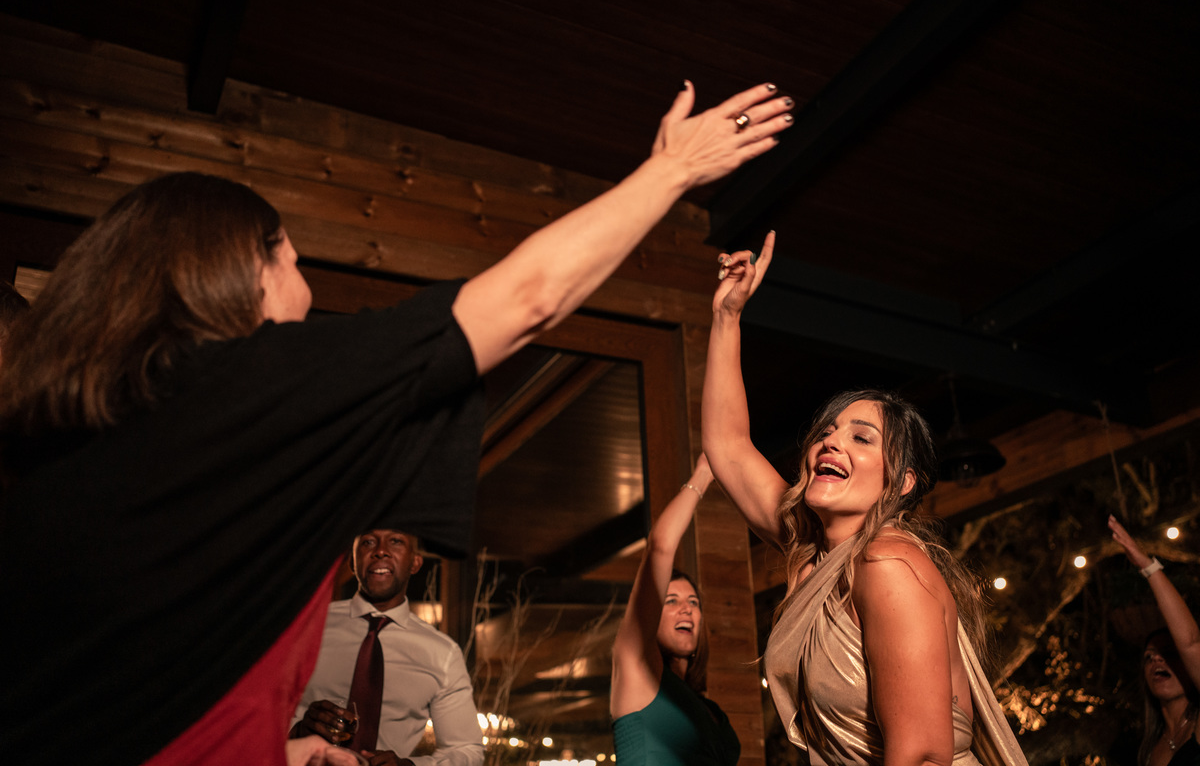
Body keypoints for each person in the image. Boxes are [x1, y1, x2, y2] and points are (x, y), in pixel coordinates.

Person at [0, 81, 794, 766]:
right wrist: (672, 170)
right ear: (241, 274)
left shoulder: (103, 444)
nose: (305, 284)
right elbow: (527, 298)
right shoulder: (249, 387)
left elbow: (133, 683)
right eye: (293, 258)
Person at [700, 231, 1026, 766]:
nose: (832, 441)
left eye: (862, 437)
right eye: (827, 431)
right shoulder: (816, 554)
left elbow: (921, 756)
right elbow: (727, 446)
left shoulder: (887, 564)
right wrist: (727, 317)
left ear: (902, 483)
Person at [291, 529, 484, 766]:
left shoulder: (443, 654)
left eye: (395, 541)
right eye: (368, 542)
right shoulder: (307, 628)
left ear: (415, 563)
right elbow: (257, 708)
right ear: (352, 562)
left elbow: (466, 749)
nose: (380, 551)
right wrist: (296, 731)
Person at [611, 454, 740, 766]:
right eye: (671, 601)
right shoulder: (635, 669)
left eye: (693, 602)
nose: (686, 609)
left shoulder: (707, 707)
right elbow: (660, 547)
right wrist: (703, 474)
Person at [1109, 515, 1200, 766]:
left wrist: (1148, 567)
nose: (1156, 659)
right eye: (1149, 657)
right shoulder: (1148, 751)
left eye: (1169, 653)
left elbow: (1191, 643)